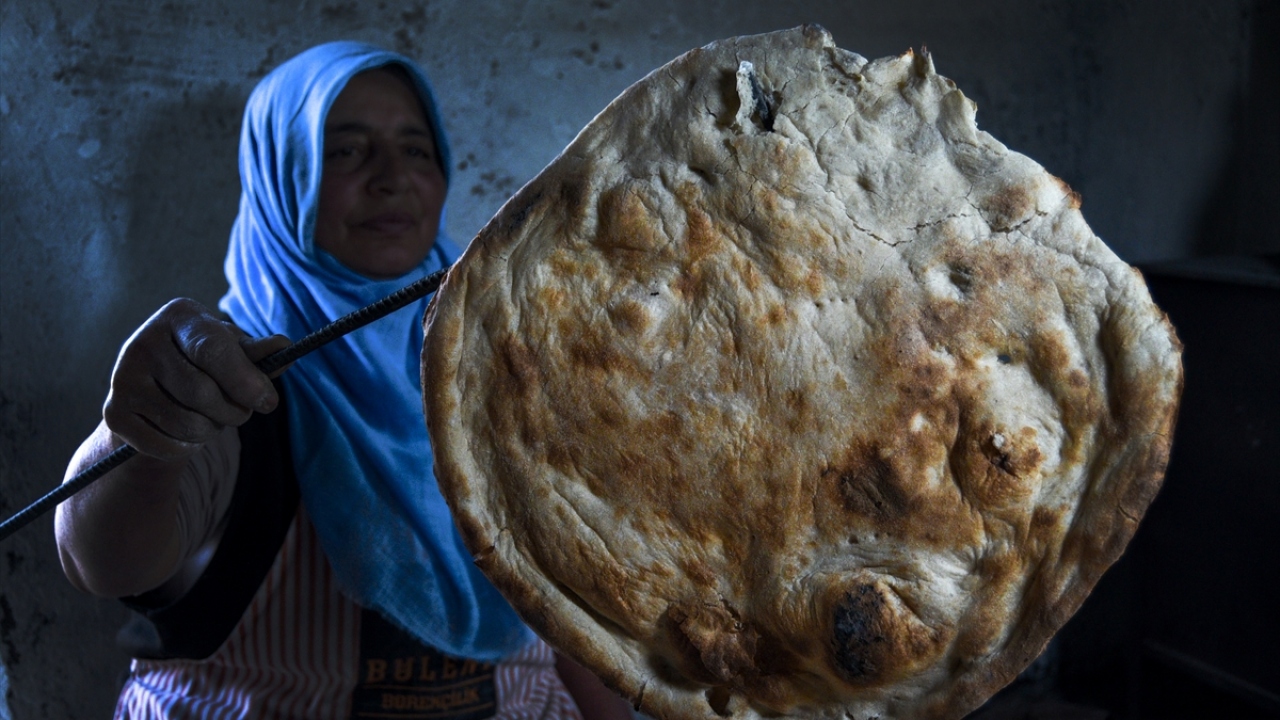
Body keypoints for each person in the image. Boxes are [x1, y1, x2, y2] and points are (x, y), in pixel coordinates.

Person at [54, 41, 633, 719]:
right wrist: (144, 434)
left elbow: (571, 609)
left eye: (417, 150)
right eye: (345, 150)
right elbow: (106, 562)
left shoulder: (507, 367)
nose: (393, 178)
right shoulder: (227, 374)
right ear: (281, 176)